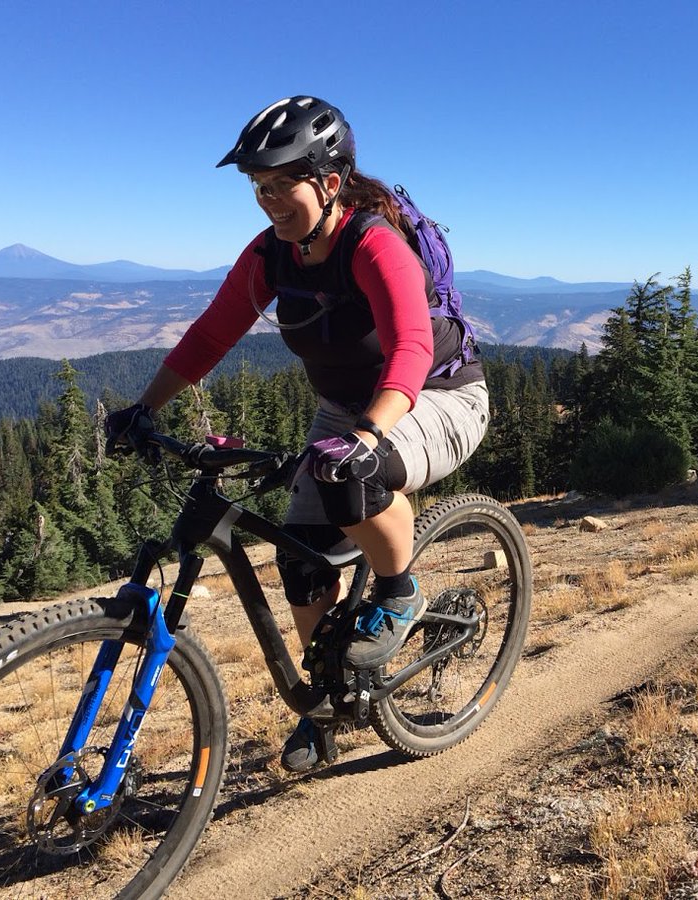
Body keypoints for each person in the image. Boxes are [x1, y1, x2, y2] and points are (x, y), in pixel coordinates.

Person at [105, 95, 489, 772]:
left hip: (436, 396)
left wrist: (369, 435)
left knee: (353, 480)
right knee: (301, 559)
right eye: (260, 185)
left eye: (285, 182)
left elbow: (408, 352)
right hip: (348, 409)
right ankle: (323, 708)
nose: (270, 199)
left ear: (331, 181)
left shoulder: (374, 243)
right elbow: (209, 337)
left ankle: (401, 594)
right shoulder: (270, 255)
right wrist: (146, 408)